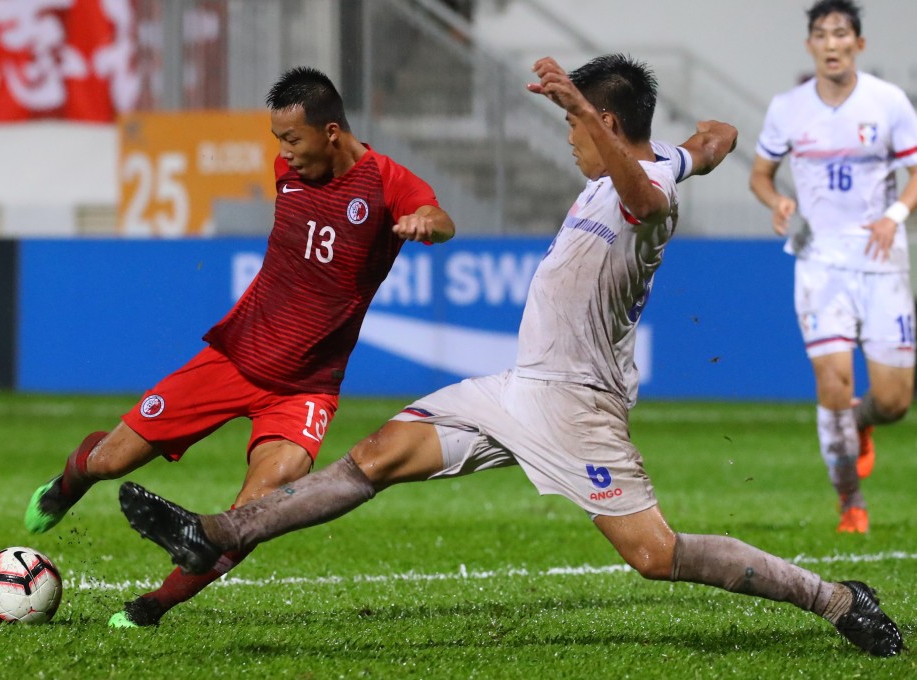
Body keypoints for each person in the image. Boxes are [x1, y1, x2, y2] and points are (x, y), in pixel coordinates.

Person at [118, 55, 903, 657]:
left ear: (598, 120)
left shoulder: (646, 193)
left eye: (573, 129)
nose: (569, 146)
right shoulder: (664, 157)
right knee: (377, 455)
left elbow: (651, 195)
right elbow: (716, 137)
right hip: (518, 387)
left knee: (656, 556)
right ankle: (217, 532)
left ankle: (837, 600)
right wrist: (700, 143)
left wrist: (588, 117)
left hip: (577, 407)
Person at [22, 66, 456, 627]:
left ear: (330, 132)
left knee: (257, 509)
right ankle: (66, 485)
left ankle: (154, 606)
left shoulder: (387, 182)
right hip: (232, 359)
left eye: (292, 139)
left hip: (305, 389)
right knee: (110, 460)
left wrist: (426, 223)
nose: (283, 153)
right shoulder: (288, 171)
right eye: (278, 140)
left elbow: (440, 218)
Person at [749, 0, 917, 534]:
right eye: (820, 34)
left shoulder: (888, 102)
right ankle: (851, 504)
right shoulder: (788, 107)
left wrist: (894, 216)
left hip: (882, 261)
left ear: (858, 44)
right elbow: (760, 173)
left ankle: (864, 423)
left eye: (841, 33)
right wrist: (774, 200)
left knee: (894, 402)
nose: (831, 43)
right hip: (819, 264)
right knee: (834, 386)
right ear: (810, 46)